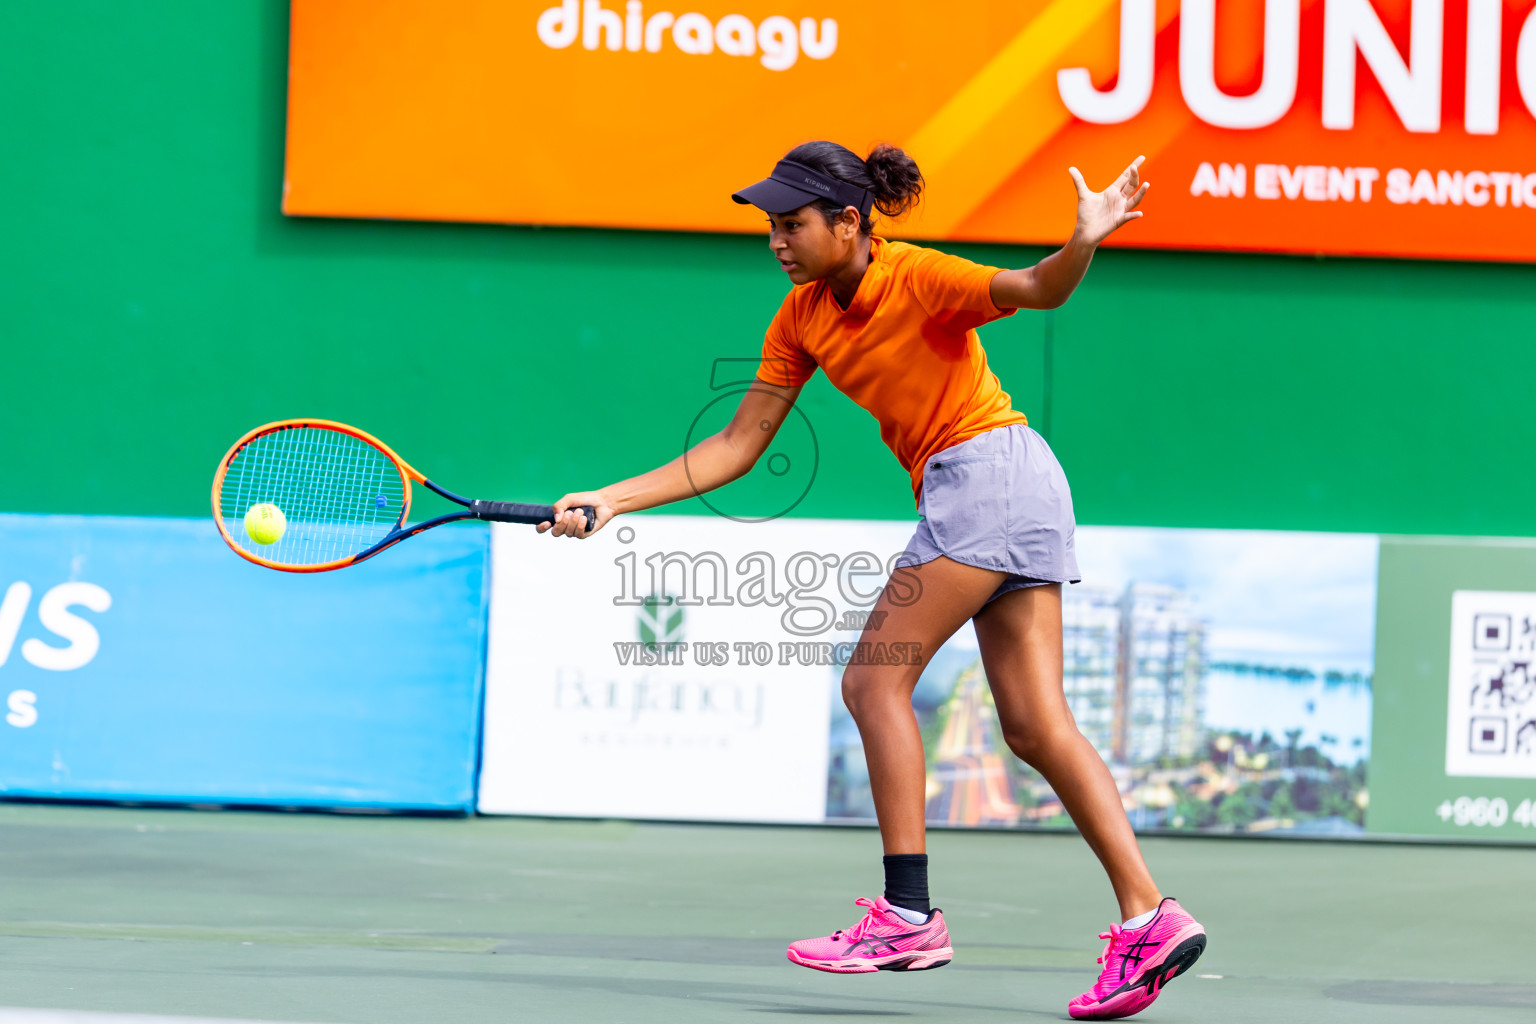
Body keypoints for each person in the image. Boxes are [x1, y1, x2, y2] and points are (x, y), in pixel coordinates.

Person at [539, 141, 1206, 1021]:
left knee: (872, 678)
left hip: (987, 476)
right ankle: (1150, 916)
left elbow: (1038, 290)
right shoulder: (801, 316)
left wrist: (1083, 240)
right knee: (1038, 727)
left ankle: (907, 915)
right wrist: (615, 500)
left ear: (850, 222)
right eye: (771, 226)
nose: (777, 240)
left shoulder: (922, 277)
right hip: (1003, 486)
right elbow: (739, 447)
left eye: (793, 224)